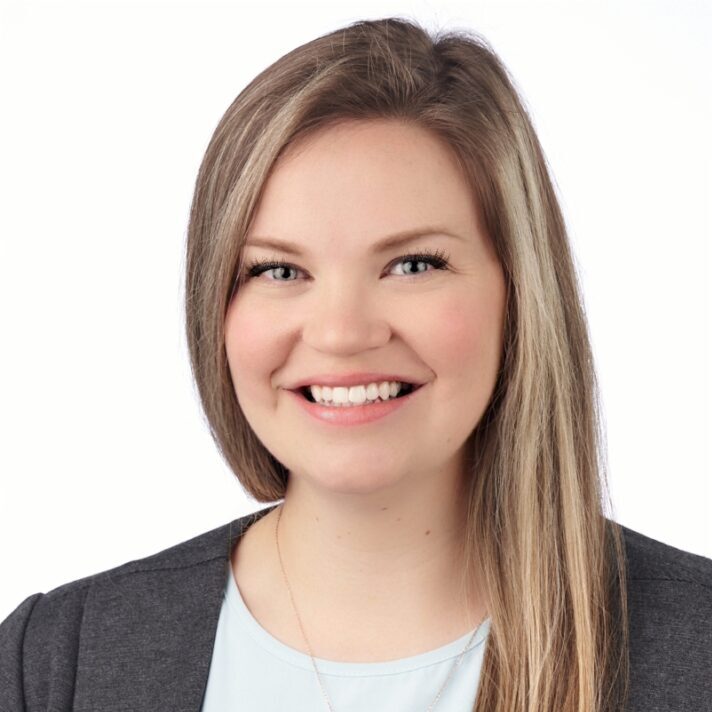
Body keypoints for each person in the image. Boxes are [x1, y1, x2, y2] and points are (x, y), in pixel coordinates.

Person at [1, 16, 710, 712]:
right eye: (278, 270)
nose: (341, 334)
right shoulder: (54, 663)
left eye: (412, 264)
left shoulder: (696, 650)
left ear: (521, 294)